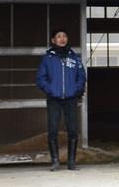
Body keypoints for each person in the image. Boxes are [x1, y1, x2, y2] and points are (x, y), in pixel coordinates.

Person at [35, 29, 86, 171]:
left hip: (70, 99)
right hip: (54, 99)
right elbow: (40, 78)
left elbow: (81, 76)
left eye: (64, 36)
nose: (62, 39)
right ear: (53, 40)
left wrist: (76, 90)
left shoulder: (74, 58)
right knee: (52, 130)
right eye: (58, 36)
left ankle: (71, 162)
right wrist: (50, 90)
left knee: (73, 130)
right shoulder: (48, 58)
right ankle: (55, 161)